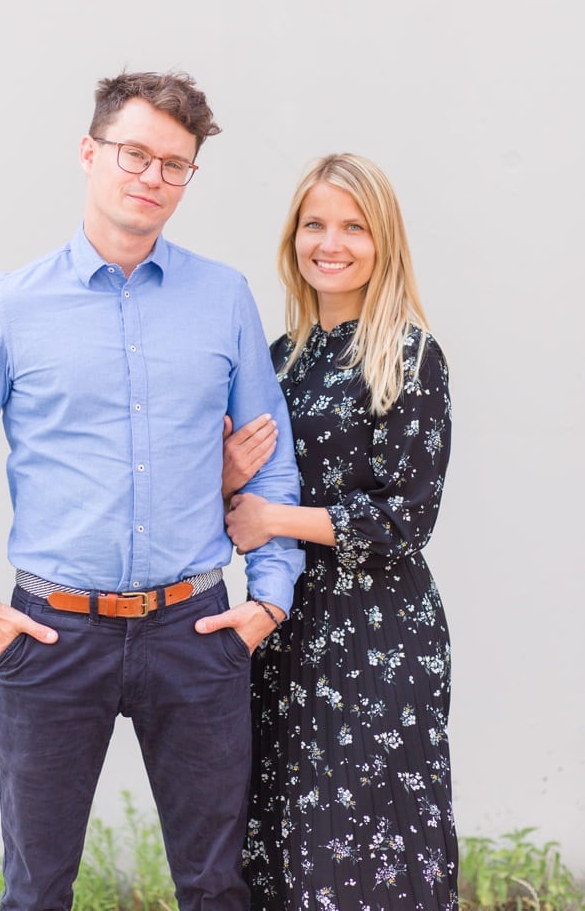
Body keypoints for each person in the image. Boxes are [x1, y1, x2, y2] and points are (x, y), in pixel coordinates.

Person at [0, 70, 305, 911]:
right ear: (90, 153)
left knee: (216, 887)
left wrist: (267, 603)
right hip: (50, 637)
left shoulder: (222, 297)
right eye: (135, 153)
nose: (152, 177)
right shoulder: (9, 308)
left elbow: (270, 459)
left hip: (197, 631)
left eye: (175, 164)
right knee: (37, 891)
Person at [222, 154, 456, 909]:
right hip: (286, 624)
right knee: (283, 838)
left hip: (377, 629)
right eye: (315, 223)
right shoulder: (279, 360)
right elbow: (238, 494)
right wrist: (229, 484)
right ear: (294, 237)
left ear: (383, 240)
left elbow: (406, 519)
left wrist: (272, 519)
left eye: (354, 226)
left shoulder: (410, 355)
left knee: (368, 846)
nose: (332, 242)